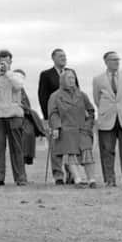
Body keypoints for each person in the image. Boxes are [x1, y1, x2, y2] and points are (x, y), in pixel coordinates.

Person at [92, 51, 122, 189]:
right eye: (113, 60)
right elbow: (96, 99)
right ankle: (109, 180)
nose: (117, 62)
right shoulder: (98, 79)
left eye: (118, 59)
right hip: (107, 119)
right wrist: (107, 109)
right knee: (107, 150)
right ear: (106, 62)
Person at [38, 48, 79, 184]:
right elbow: (43, 97)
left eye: (65, 56)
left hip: (70, 117)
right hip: (53, 115)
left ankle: (71, 174)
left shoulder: (71, 73)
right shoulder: (46, 75)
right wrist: (47, 117)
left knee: (70, 146)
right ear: (53, 58)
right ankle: (58, 175)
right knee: (55, 147)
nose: (64, 58)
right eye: (60, 56)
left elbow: (77, 93)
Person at [48, 69, 95, 187]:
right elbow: (53, 113)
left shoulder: (82, 95)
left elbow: (91, 111)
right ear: (62, 80)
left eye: (73, 78)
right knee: (71, 154)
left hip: (82, 130)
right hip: (66, 130)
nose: (71, 80)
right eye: (68, 78)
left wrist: (88, 125)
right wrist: (56, 127)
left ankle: (92, 180)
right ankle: (78, 179)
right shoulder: (55, 96)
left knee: (87, 153)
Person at [0, 50, 27, 186]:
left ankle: (20, 178)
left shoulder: (17, 75)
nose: (3, 63)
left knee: (17, 148)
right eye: (1, 61)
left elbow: (19, 85)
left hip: (14, 116)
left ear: (11, 61)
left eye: (6, 60)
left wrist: (8, 73)